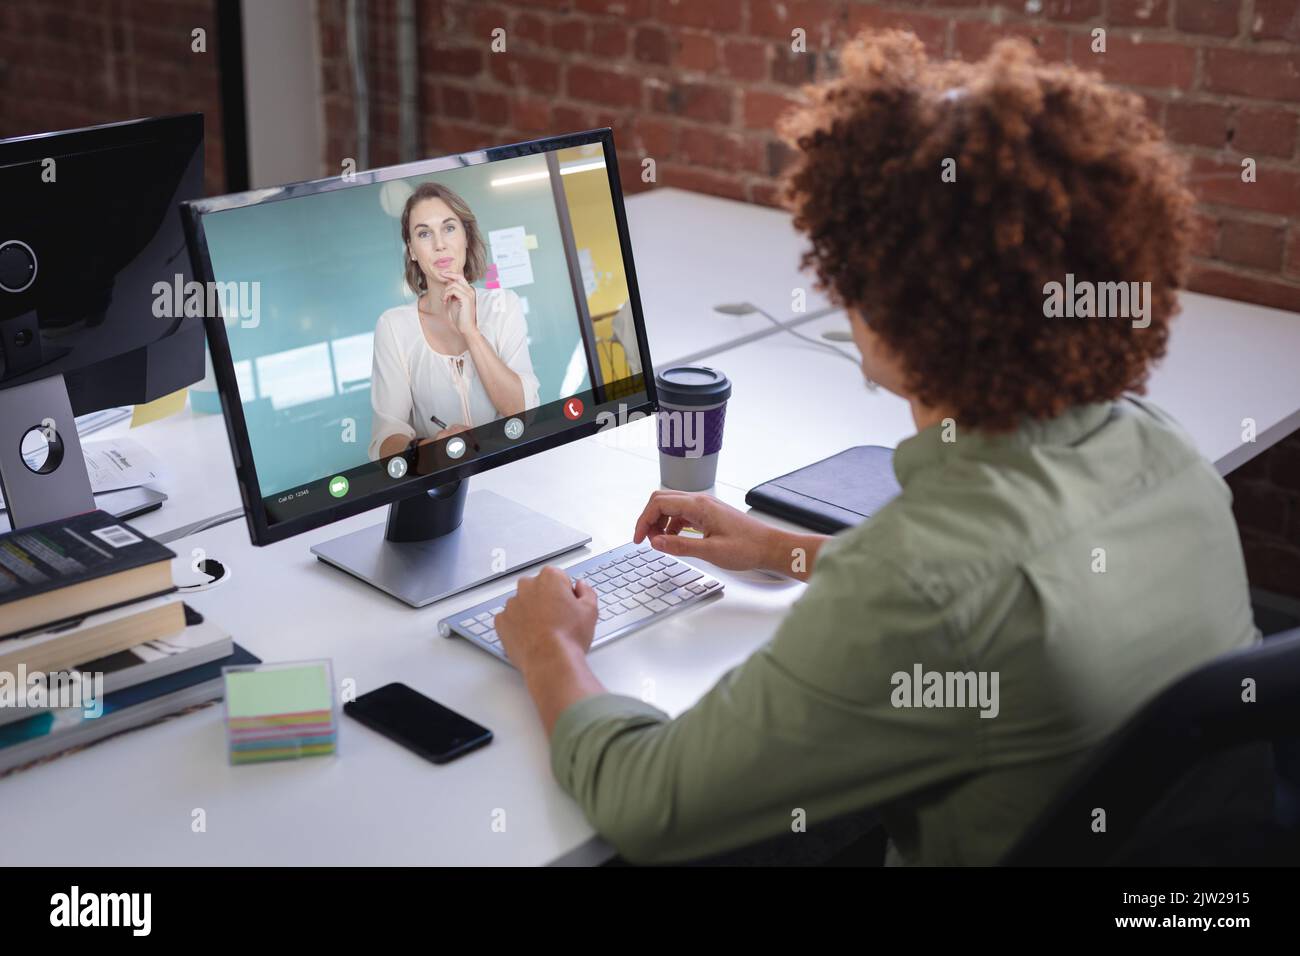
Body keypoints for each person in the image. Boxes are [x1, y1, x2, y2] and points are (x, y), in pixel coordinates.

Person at [493, 32, 1260, 865]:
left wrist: (551, 649)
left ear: (894, 304)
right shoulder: (1162, 453)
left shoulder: (920, 587)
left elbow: (649, 804)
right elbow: (1004, 595)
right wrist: (781, 550)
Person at [368, 182, 540, 461]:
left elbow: (522, 411)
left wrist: (470, 332)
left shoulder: (503, 306)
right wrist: (435, 449)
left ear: (466, 237)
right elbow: (385, 440)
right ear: (412, 250)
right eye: (424, 234)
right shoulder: (393, 327)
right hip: (441, 485)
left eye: (449, 228)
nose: (439, 245)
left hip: (512, 470)